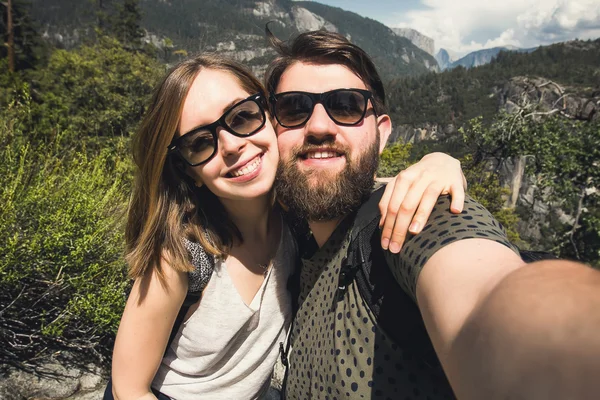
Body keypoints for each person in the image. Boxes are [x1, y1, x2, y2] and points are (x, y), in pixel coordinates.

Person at [108, 53, 468, 400]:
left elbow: (350, 179)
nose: (232, 145)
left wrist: (438, 164)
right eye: (201, 143)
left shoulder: (296, 216)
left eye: (242, 117)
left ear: (272, 118)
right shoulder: (180, 256)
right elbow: (128, 388)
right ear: (190, 171)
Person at [265, 28, 600, 400]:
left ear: (382, 133)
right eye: (293, 108)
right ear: (270, 133)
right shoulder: (288, 233)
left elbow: (485, 288)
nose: (319, 126)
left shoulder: (414, 219)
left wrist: (561, 343)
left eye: (346, 105)